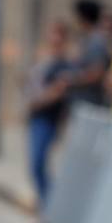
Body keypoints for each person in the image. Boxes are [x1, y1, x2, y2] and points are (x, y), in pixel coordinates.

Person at [25, 19, 74, 210]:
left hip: (49, 118)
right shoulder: (44, 61)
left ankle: (50, 208)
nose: (54, 38)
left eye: (58, 34)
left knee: (38, 163)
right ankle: (46, 206)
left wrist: (39, 100)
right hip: (37, 118)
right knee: (35, 166)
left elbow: (57, 92)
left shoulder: (64, 65)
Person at [65, 0, 111, 109]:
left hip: (91, 105)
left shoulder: (96, 41)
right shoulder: (85, 39)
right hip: (81, 102)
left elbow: (97, 73)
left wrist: (71, 80)